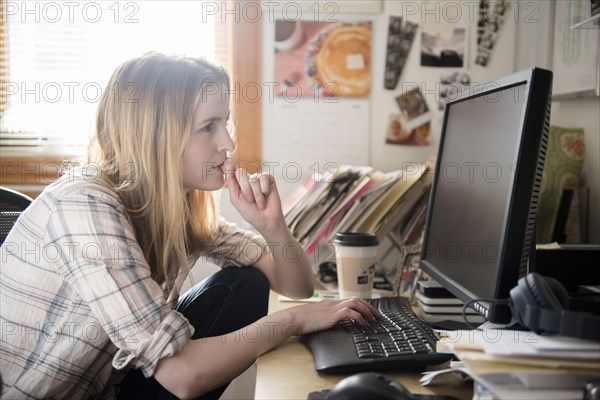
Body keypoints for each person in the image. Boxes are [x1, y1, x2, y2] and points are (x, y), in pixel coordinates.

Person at [0, 52, 379, 400]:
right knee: (198, 356)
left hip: (106, 387)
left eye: (225, 123)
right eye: (208, 127)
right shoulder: (83, 206)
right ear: (156, 133)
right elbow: (182, 376)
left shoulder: (174, 209)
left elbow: (297, 286)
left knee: (246, 282)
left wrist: (273, 226)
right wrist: (292, 321)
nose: (228, 142)